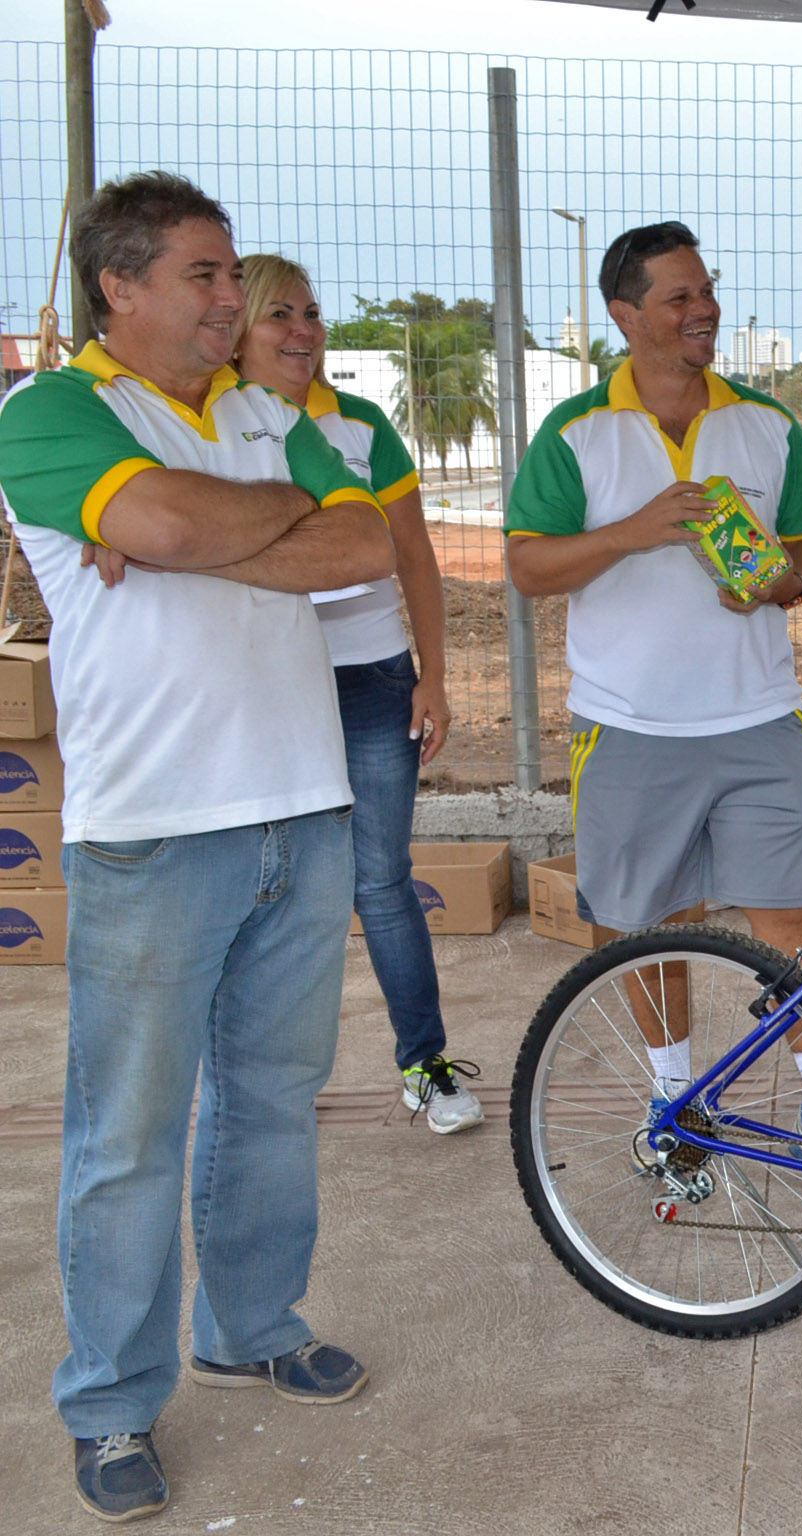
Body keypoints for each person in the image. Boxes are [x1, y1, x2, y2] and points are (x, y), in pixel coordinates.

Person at [0, 172, 392, 1523]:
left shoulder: (269, 411)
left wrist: (189, 532)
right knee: (130, 1133)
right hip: (155, 831)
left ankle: (251, 1326)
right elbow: (165, 522)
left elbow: (362, 546)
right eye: (206, 276)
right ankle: (112, 1401)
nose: (236, 300)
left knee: (274, 1100)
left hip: (301, 806)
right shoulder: (52, 412)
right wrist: (221, 520)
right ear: (121, 286)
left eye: (234, 276)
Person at [505, 221, 802, 1142]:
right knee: (651, 930)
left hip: (761, 719)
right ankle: (675, 1096)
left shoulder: (765, 423)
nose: (705, 311)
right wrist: (633, 531)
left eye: (707, 292)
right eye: (680, 298)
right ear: (625, 316)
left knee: (791, 921)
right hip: (629, 728)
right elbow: (528, 567)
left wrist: (787, 582)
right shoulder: (575, 433)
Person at [229, 253, 482, 1135]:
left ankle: (426, 1067)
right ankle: (263, 1082)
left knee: (381, 882)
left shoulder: (362, 424)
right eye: (280, 315)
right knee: (262, 889)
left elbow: (414, 557)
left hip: (373, 678)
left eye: (311, 313)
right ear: (237, 327)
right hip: (262, 681)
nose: (303, 331)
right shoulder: (211, 427)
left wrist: (432, 676)